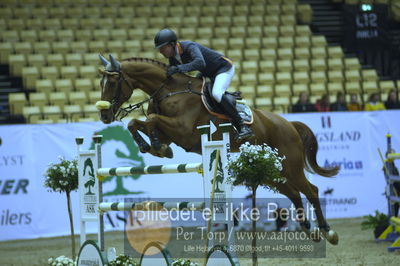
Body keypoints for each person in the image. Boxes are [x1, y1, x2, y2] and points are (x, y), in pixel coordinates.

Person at [154, 28, 253, 140]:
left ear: (172, 44)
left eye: (163, 48)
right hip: (208, 72)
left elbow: (200, 63)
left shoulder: (189, 46)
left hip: (223, 68)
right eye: (160, 49)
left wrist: (178, 68)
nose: (161, 52)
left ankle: (242, 126)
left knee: (216, 93)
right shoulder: (172, 58)